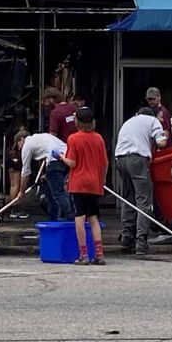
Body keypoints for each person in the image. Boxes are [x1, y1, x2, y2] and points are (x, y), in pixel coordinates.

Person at [115, 106, 167, 254]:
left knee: (128, 199)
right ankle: (141, 241)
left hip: (120, 160)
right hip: (137, 160)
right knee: (144, 201)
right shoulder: (153, 121)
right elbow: (161, 143)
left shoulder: (129, 122)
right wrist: (165, 136)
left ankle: (126, 238)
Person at [61, 106, 109, 264]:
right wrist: (102, 180)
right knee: (94, 218)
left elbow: (72, 163)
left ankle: (83, 254)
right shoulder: (99, 139)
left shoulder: (73, 139)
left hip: (78, 183)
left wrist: (61, 157)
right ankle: (99, 253)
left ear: (78, 121)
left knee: (79, 218)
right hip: (95, 182)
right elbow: (105, 163)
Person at [20, 130, 72, 221]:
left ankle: (72, 218)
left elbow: (25, 172)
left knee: (58, 194)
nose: (19, 149)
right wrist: (46, 175)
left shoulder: (27, 144)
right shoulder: (41, 138)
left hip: (55, 160)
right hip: (67, 156)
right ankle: (53, 218)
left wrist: (21, 191)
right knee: (50, 192)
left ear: (21, 140)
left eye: (18, 146)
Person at [6, 129, 29, 218]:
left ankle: (15, 207)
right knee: (16, 185)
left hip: (12, 162)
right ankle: (15, 207)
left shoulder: (11, 151)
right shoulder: (17, 152)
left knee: (14, 184)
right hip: (16, 163)